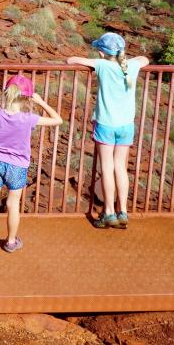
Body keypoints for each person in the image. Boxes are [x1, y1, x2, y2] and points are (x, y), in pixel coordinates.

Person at [0, 75, 63, 252]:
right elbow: (58, 120)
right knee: (13, 204)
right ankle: (11, 242)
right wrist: (41, 102)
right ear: (27, 97)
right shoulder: (29, 118)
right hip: (18, 166)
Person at [66, 32, 149, 229]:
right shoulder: (131, 66)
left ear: (102, 53)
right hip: (126, 124)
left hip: (106, 124)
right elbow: (144, 58)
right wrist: (128, 58)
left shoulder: (101, 65)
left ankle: (109, 212)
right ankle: (123, 211)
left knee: (107, 167)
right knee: (120, 167)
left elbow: (71, 60)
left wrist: (90, 60)